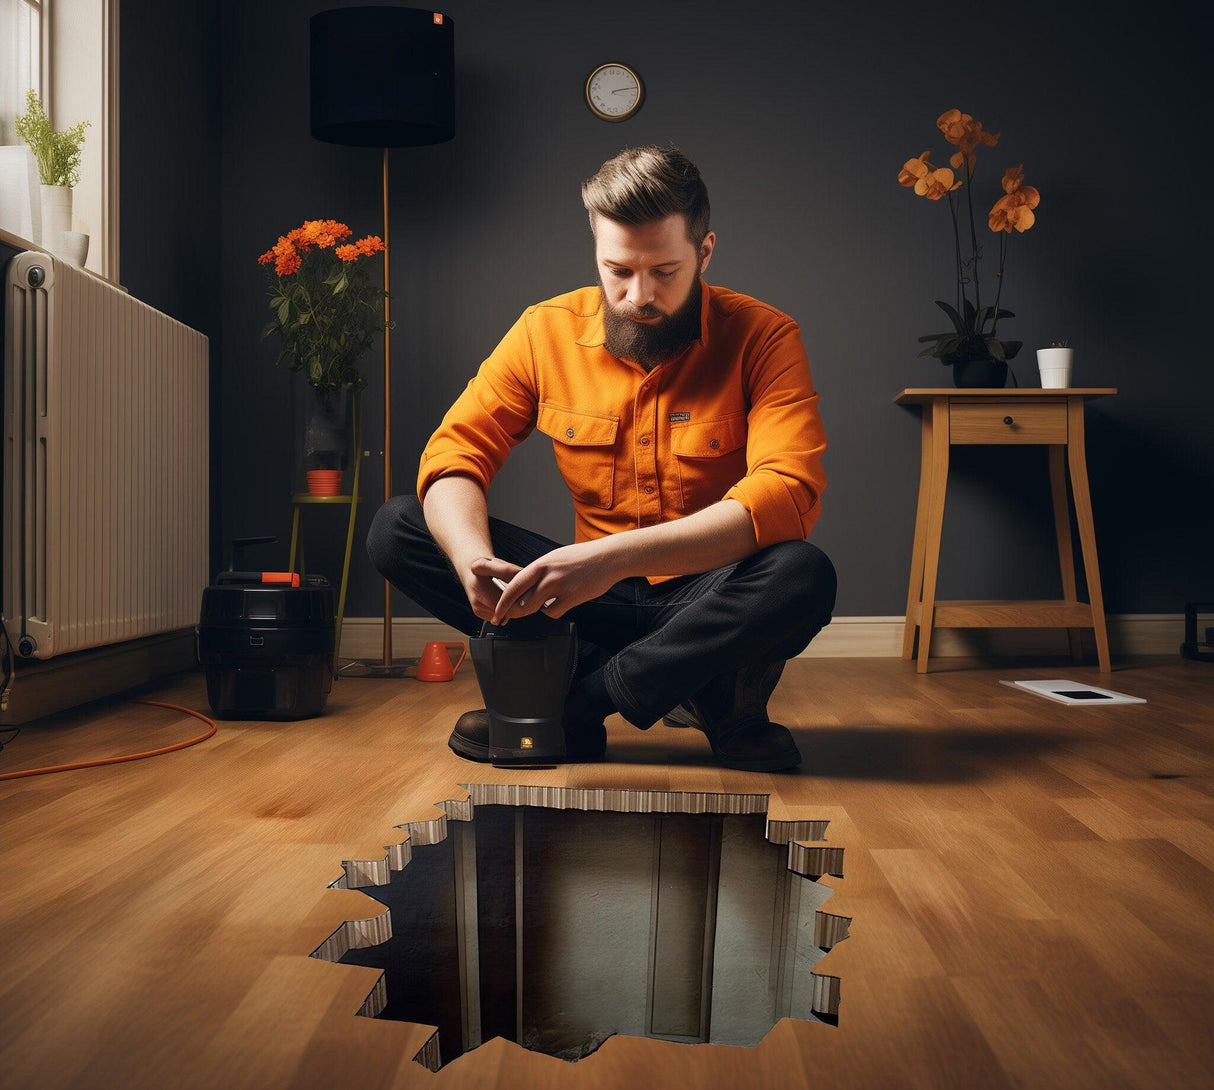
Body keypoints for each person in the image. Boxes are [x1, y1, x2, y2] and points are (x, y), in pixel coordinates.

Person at [367, 145, 835, 772]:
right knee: (399, 526)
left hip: (703, 601)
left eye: (664, 271)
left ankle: (576, 707)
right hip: (583, 604)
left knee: (802, 573)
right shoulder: (543, 331)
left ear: (705, 251)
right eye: (618, 270)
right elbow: (456, 451)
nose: (639, 295)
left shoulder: (765, 336)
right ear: (595, 247)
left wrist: (610, 560)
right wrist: (470, 556)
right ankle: (702, 692)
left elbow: (788, 495)